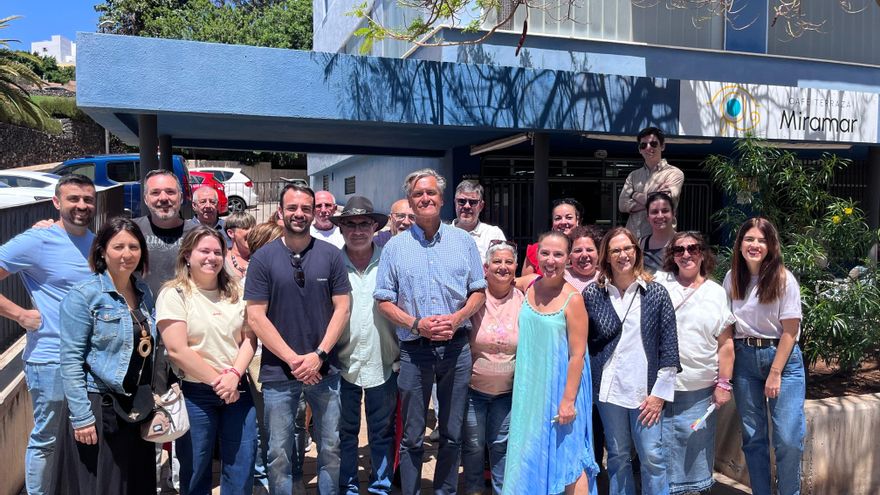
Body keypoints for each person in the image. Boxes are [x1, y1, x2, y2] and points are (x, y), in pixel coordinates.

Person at [374, 168, 486, 494]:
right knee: (411, 436)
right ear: (410, 201)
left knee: (452, 433)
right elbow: (383, 301)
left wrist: (456, 318)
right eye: (418, 194)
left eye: (431, 193)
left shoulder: (463, 242)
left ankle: (444, 491)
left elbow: (478, 291)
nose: (425, 198)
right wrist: (415, 323)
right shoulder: (395, 248)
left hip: (456, 348)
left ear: (441, 198)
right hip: (414, 349)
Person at [245, 183, 352, 494]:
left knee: (330, 446)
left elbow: (342, 309)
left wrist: (318, 354)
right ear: (280, 212)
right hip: (279, 373)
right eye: (292, 208)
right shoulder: (263, 259)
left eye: (306, 208)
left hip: (325, 370)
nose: (299, 214)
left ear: (314, 211)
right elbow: (256, 317)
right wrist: (294, 360)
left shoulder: (331, 256)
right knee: (278, 451)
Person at [0, 174, 97, 495]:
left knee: (84, 437)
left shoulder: (96, 242)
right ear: (57, 203)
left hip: (91, 361)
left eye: (87, 199)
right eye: (73, 199)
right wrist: (20, 315)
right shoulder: (37, 240)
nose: (81, 206)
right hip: (51, 359)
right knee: (47, 440)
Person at [55, 216, 156, 494]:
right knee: (104, 485)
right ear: (102, 250)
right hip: (99, 407)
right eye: (118, 246)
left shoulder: (144, 292)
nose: (127, 254)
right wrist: (82, 417)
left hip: (136, 406)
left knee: (135, 483)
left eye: (134, 247)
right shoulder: (84, 296)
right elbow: (71, 361)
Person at [156, 227, 258, 495]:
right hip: (196, 393)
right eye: (204, 251)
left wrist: (234, 375)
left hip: (238, 389)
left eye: (217, 251)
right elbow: (177, 349)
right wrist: (219, 381)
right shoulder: (174, 294)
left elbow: (249, 339)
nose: (211, 257)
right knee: (196, 467)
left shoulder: (236, 290)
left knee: (242, 462)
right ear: (188, 255)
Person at [582, 227, 680, 495]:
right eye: (615, 250)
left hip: (645, 392)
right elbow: (586, 343)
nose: (622, 254)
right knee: (617, 456)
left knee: (652, 456)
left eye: (628, 248)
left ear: (636, 252)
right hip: (609, 391)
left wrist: (659, 395)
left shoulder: (656, 293)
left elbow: (669, 347)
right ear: (607, 256)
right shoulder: (593, 294)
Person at [504, 231, 597, 494]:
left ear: (568, 260)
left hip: (562, 389)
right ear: (536, 257)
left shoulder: (573, 299)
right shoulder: (530, 283)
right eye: (545, 253)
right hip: (531, 390)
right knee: (532, 450)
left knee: (569, 456)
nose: (551, 260)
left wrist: (568, 400)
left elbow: (577, 355)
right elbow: (502, 278)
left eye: (558, 254)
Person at [723, 218, 804, 495]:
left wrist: (775, 371)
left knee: (788, 439)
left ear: (771, 245)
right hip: (745, 360)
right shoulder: (732, 278)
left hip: (782, 360)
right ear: (740, 244)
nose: (755, 245)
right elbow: (727, 328)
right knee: (753, 437)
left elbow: (790, 331)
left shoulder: (783, 278)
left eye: (761, 240)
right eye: (749, 239)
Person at [655, 231, 735, 495]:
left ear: (703, 253)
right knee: (660, 454)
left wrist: (723, 384)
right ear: (672, 256)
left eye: (693, 248)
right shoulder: (660, 283)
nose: (686, 254)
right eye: (679, 250)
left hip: (699, 390)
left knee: (694, 457)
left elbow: (725, 344)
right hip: (660, 389)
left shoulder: (716, 293)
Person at [331, 196, 399, 495]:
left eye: (363, 224)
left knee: (381, 432)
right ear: (341, 228)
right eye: (350, 224)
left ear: (375, 226)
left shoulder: (390, 261)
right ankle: (348, 487)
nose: (357, 230)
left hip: (384, 359)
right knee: (344, 433)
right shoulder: (331, 263)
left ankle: (380, 487)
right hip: (341, 362)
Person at [462, 240, 523, 494]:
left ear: (516, 267)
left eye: (509, 262)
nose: (503, 267)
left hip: (507, 394)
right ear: (485, 268)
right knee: (474, 446)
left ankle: (503, 490)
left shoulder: (523, 299)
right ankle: (474, 489)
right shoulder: (474, 299)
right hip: (474, 391)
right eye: (497, 262)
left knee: (501, 447)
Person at [618, 127, 684, 239]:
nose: (648, 148)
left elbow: (661, 203)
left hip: (662, 241)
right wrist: (653, 197)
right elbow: (622, 205)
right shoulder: (633, 176)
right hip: (633, 239)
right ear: (640, 149)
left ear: (662, 146)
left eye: (653, 144)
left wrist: (634, 194)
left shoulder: (674, 173)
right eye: (643, 145)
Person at [521, 198, 582, 276]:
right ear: (553, 223)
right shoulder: (536, 249)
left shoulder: (586, 251)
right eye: (558, 218)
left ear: (577, 221)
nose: (563, 222)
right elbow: (525, 285)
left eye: (569, 217)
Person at [451, 180, 506, 263]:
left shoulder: (494, 234)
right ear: (455, 202)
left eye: (473, 202)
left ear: (481, 206)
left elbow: (503, 267)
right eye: (462, 201)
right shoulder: (441, 235)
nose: (467, 206)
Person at [639, 192, 676, 274]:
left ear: (673, 213)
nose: (660, 216)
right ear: (648, 217)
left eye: (665, 211)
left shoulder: (684, 243)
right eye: (654, 212)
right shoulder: (640, 244)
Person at [565, 225, 604, 292]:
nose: (584, 255)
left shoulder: (607, 279)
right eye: (578, 250)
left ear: (598, 254)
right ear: (569, 256)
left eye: (589, 250)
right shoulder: (560, 278)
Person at [223, 211, 256, 280]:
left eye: (253, 227)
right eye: (246, 227)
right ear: (231, 233)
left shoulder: (260, 258)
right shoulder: (222, 261)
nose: (252, 231)